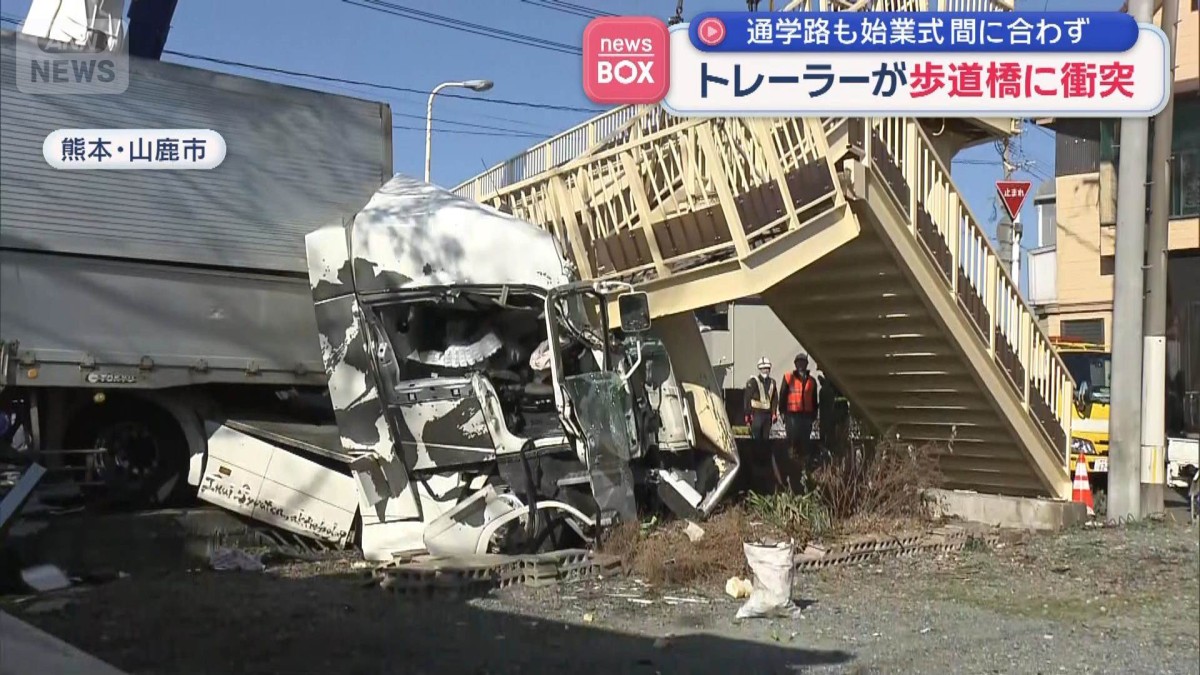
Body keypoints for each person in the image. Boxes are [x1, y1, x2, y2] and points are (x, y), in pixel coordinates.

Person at [743, 357, 781, 490]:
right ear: (760, 369)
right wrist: (747, 414)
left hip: (767, 416)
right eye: (763, 368)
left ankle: (764, 463)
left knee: (765, 440)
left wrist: (774, 412)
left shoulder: (772, 382)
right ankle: (755, 463)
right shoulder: (753, 381)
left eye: (767, 368)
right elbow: (747, 398)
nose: (766, 370)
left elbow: (775, 398)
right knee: (756, 440)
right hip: (756, 414)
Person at [779, 353, 818, 466]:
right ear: (795, 364)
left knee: (805, 441)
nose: (801, 364)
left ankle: (804, 464)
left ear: (806, 364)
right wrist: (782, 412)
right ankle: (791, 464)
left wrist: (814, 415)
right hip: (792, 415)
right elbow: (783, 395)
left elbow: (814, 399)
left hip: (807, 415)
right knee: (792, 441)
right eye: (799, 362)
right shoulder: (788, 377)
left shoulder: (812, 381)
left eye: (803, 362)